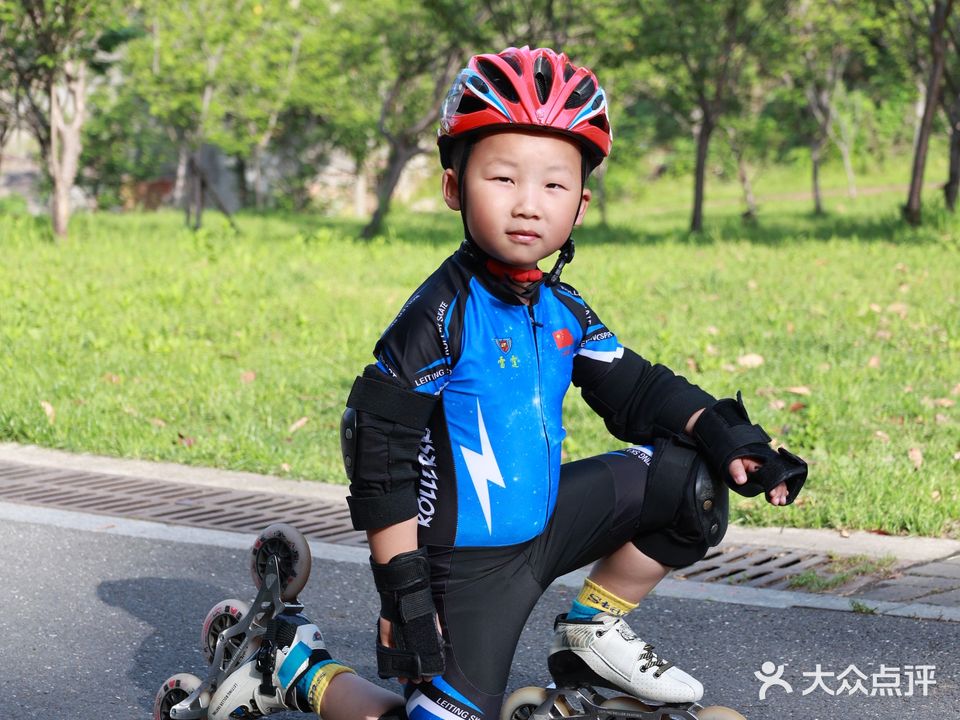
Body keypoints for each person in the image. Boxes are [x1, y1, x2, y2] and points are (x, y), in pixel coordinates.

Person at [207, 46, 807, 720]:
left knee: (689, 478)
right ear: (454, 189)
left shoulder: (562, 311)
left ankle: (591, 632)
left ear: (579, 206)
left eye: (553, 185)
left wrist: (730, 439)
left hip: (550, 521)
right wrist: (402, 595)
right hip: (462, 570)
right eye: (502, 179)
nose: (528, 205)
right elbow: (377, 454)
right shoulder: (438, 317)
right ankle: (294, 667)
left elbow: (642, 395)